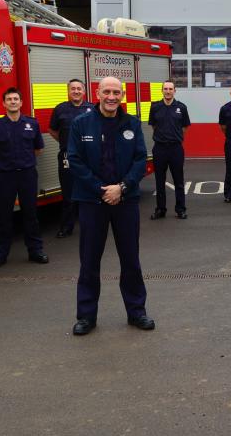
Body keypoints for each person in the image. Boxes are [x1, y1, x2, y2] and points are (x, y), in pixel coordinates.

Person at [67, 76, 154, 336]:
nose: (112, 96)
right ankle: (86, 316)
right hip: (92, 201)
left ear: (123, 94)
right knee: (89, 261)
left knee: (130, 259)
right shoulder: (81, 124)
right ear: (97, 92)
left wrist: (122, 188)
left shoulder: (132, 124)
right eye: (107, 91)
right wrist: (100, 189)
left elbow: (141, 159)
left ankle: (137, 311)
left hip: (125, 200)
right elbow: (75, 159)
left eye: (116, 92)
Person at [0, 87, 47, 268]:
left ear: (21, 103)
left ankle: (36, 251)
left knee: (31, 215)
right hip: (5, 176)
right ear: (4, 103)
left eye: (16, 99)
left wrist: (23, 162)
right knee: (4, 216)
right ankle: (0, 254)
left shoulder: (32, 123)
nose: (13, 102)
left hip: (27, 174)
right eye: (9, 99)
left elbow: (39, 149)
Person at [49, 79, 93, 238]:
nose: (76, 91)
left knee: (90, 191)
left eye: (79, 88)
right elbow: (53, 130)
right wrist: (67, 144)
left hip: (88, 158)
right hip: (67, 156)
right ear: (68, 91)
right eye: (73, 89)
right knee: (68, 193)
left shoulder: (92, 109)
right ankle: (67, 227)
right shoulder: (60, 109)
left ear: (84, 91)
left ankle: (90, 225)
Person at [148, 80, 191, 220]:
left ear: (175, 91)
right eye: (165, 89)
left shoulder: (182, 107)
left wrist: (174, 137)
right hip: (159, 148)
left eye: (170, 89)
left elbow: (184, 127)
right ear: (162, 90)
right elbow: (154, 126)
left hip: (176, 149)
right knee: (160, 181)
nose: (168, 91)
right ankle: (160, 209)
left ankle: (180, 209)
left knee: (179, 181)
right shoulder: (155, 107)